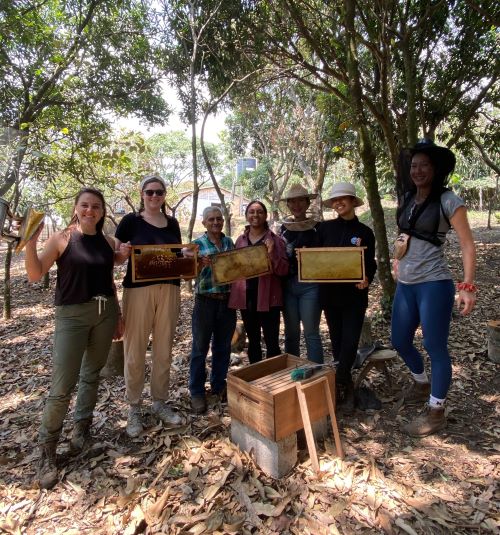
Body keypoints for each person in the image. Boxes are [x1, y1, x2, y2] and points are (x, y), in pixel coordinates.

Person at [25, 187, 123, 490]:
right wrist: (29, 242)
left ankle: (82, 431)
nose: (90, 211)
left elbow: (108, 277)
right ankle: (47, 449)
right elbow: (35, 274)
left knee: (91, 375)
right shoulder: (62, 238)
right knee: (61, 386)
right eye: (84, 206)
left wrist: (117, 314)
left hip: (104, 311)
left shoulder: (107, 241)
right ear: (76, 207)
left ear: (103, 211)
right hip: (72, 316)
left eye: (95, 206)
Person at [391, 139, 476, 437]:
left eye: (424, 165)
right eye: (413, 165)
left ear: (435, 168)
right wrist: (397, 259)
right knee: (400, 340)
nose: (417, 170)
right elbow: (404, 234)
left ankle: (436, 411)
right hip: (406, 285)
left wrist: (467, 286)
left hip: (434, 284)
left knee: (435, 347)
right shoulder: (407, 197)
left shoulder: (448, 200)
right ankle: (421, 382)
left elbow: (467, 244)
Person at [115, 175, 182, 438]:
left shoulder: (173, 223)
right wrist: (122, 251)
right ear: (142, 194)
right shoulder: (130, 221)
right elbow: (118, 257)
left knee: (164, 347)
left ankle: (159, 402)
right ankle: (134, 407)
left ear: (165, 195)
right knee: (135, 349)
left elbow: (176, 254)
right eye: (150, 192)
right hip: (138, 291)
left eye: (160, 192)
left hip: (169, 289)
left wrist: (186, 256)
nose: (155, 196)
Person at [318, 182, 377, 414]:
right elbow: (314, 258)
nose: (338, 203)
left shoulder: (365, 232)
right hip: (330, 295)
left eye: (343, 198)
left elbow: (369, 264)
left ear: (353, 201)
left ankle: (340, 381)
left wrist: (367, 279)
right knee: (337, 341)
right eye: (335, 200)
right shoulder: (323, 229)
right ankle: (347, 387)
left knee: (351, 341)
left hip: (354, 296)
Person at [188, 207, 236, 414]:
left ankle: (218, 385)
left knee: (223, 347)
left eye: (218, 219)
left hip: (227, 301)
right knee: (200, 348)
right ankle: (197, 391)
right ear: (204, 223)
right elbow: (189, 274)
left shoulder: (229, 243)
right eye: (211, 219)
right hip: (205, 301)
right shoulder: (196, 245)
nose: (216, 222)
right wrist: (199, 264)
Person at [228, 200, 289, 364]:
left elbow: (283, 270)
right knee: (253, 341)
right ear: (247, 215)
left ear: (265, 215)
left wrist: (271, 253)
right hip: (247, 299)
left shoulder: (276, 241)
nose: (255, 215)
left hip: (269, 299)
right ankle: (256, 379)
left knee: (272, 342)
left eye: (260, 211)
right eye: (252, 212)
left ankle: (273, 382)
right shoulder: (240, 241)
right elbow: (234, 269)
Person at [278, 184, 323, 363]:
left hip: (311, 285)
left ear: (307, 203)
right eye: (292, 201)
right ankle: (293, 373)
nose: (296, 205)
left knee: (311, 332)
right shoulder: (283, 229)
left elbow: (327, 257)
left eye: (300, 201)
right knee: (291, 333)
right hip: (288, 286)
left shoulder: (318, 228)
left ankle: (317, 376)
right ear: (288, 204)